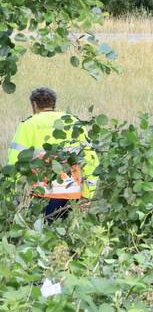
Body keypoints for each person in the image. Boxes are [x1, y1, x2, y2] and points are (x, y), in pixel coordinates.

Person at [7, 87, 98, 221]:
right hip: (73, 194)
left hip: (44, 194)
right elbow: (92, 160)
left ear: (34, 105)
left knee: (43, 236)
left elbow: (14, 163)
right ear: (53, 104)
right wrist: (87, 194)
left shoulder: (28, 125)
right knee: (66, 238)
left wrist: (8, 197)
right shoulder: (73, 121)